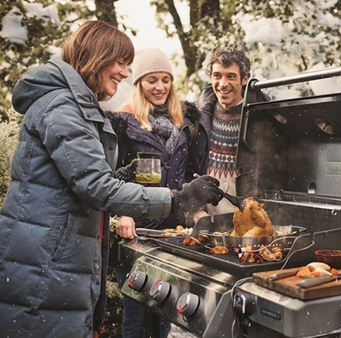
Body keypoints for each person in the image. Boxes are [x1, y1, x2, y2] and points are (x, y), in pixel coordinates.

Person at [0, 21, 221, 338]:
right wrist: (180, 200)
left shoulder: (71, 103)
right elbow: (95, 188)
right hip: (45, 261)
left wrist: (119, 176)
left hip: (51, 255)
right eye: (120, 62)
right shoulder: (63, 105)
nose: (124, 72)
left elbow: (76, 180)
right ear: (96, 57)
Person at [107, 48, 202, 338]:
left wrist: (195, 209)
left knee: (167, 309)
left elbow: (189, 175)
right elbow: (115, 175)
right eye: (151, 80)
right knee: (136, 309)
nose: (160, 87)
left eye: (165, 80)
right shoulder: (124, 124)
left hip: (173, 230)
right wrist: (124, 212)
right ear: (139, 84)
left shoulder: (185, 122)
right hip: (138, 229)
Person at [189, 47, 269, 218]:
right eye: (217, 76)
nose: (223, 84)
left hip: (250, 219)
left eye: (231, 76)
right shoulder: (197, 117)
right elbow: (186, 168)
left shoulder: (264, 117)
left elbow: (276, 175)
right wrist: (195, 209)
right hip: (206, 221)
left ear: (245, 79)